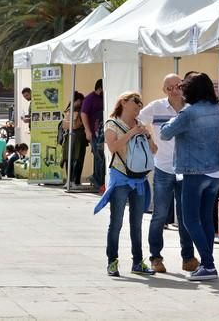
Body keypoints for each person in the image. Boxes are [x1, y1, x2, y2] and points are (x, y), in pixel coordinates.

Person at [160, 72, 219, 281]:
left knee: (190, 220)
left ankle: (208, 265)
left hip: (194, 171)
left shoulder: (188, 112)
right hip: (215, 171)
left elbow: (165, 133)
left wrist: (174, 119)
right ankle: (207, 263)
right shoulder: (216, 108)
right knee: (206, 219)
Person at [94, 91, 157, 277]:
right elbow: (113, 147)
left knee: (137, 223)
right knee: (116, 222)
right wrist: (131, 133)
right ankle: (112, 262)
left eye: (141, 102)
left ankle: (138, 262)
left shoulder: (141, 125)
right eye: (135, 101)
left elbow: (154, 150)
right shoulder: (112, 124)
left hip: (139, 179)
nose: (139, 105)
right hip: (121, 177)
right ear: (123, 102)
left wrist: (146, 135)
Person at [140, 74, 198, 274]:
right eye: (169, 88)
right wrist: (149, 139)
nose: (174, 90)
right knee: (160, 215)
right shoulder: (156, 107)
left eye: (177, 86)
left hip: (186, 169)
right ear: (164, 90)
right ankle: (155, 257)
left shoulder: (191, 107)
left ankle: (188, 258)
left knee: (185, 216)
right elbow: (136, 119)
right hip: (164, 167)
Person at [82, 79, 105, 189]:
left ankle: (100, 179)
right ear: (100, 88)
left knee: (102, 156)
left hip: (104, 132)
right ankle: (97, 179)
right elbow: (84, 114)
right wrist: (88, 131)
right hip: (94, 133)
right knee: (98, 156)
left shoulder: (104, 98)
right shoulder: (89, 99)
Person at [61, 91, 87, 187]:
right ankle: (70, 180)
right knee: (68, 158)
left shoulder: (80, 111)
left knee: (77, 159)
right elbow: (65, 125)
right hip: (70, 136)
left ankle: (75, 180)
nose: (78, 103)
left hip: (78, 137)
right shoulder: (69, 110)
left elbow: (75, 125)